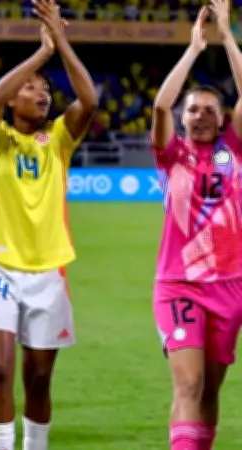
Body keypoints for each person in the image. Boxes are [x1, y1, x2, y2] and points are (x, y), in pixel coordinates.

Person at [0, 1, 98, 449]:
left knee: (40, 379)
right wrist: (40, 54)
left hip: (49, 271)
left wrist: (60, 43)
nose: (40, 92)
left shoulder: (59, 137)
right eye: (30, 87)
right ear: (15, 99)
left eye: (45, 88)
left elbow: (90, 100)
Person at [151, 2, 242, 448]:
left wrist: (227, 36)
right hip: (179, 285)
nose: (201, 115)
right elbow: (160, 104)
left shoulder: (232, 153)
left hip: (230, 284)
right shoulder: (172, 157)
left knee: (210, 389)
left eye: (209, 110)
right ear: (183, 119)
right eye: (193, 110)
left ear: (223, 119)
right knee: (188, 383)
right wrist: (192, 49)